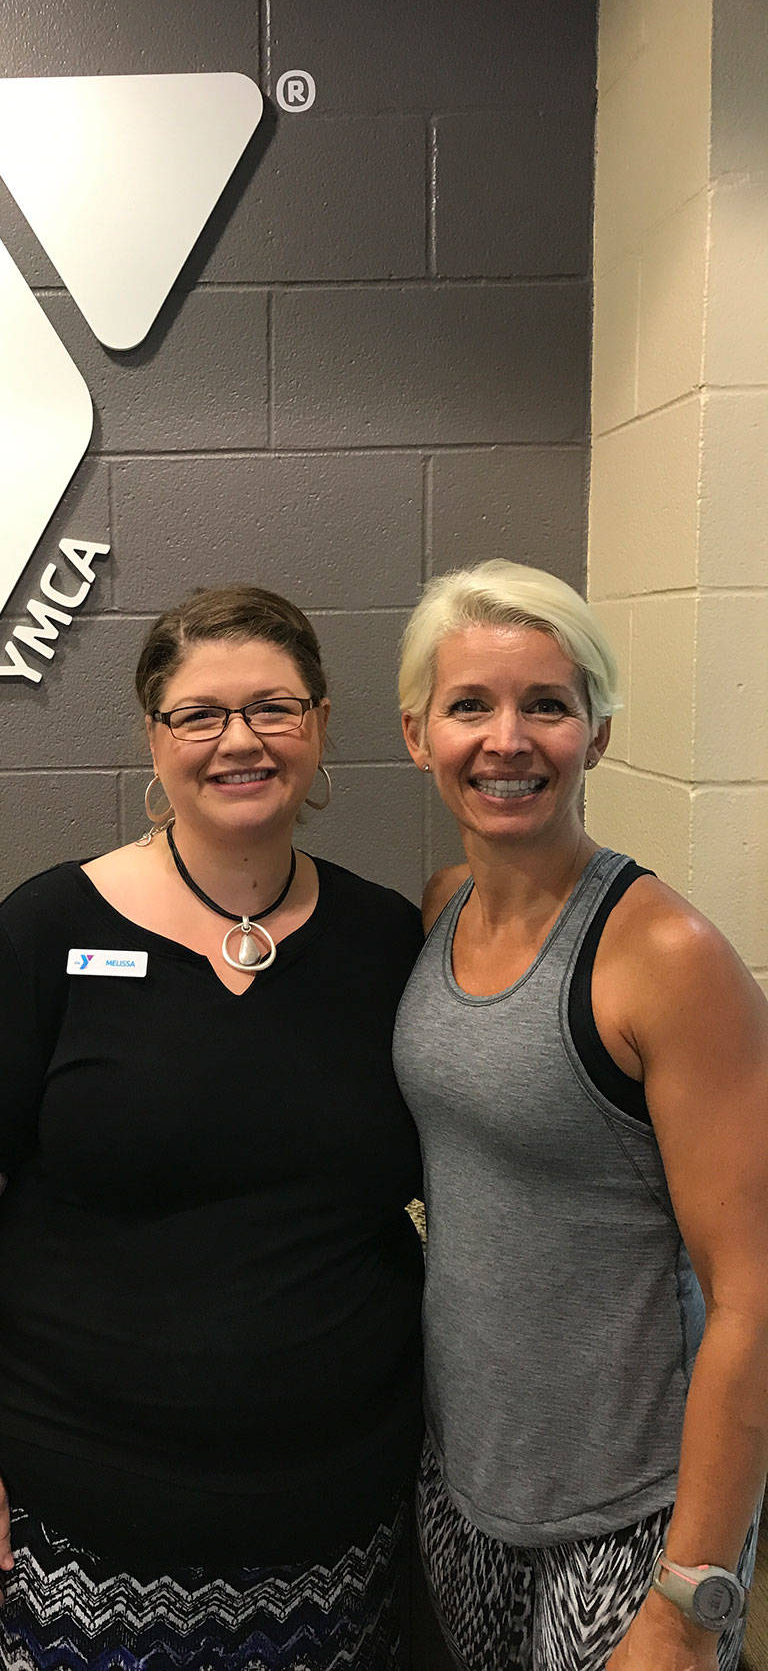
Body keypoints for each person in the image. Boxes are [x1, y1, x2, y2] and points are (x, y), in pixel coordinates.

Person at [0, 585, 427, 1671]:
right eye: (199, 713)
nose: (239, 740)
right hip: (79, 1530)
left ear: (317, 723)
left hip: (335, 1522)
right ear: (154, 736)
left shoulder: (384, 942)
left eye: (273, 707)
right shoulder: (49, 931)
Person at [393, 559, 768, 1671]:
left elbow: (750, 1295)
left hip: (631, 1517)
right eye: (470, 705)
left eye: (545, 705)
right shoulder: (440, 905)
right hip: (466, 1486)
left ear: (593, 734)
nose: (505, 740)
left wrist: (689, 1600)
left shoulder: (665, 957)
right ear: (417, 733)